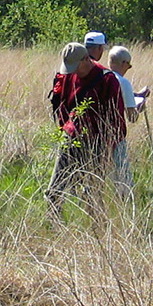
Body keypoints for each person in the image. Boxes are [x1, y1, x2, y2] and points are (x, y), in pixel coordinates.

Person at [46, 42, 124, 216]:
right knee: (54, 191)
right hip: (70, 139)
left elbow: (116, 119)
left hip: (97, 144)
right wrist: (64, 129)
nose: (71, 71)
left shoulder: (107, 79)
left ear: (85, 60)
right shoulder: (68, 75)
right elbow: (63, 105)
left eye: (75, 66)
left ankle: (99, 233)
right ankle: (54, 229)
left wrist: (108, 149)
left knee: (93, 195)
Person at [107, 46, 149, 197]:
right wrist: (140, 106)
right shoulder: (122, 82)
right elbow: (132, 117)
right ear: (123, 63)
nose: (128, 69)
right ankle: (125, 204)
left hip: (96, 136)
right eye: (129, 65)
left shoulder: (102, 76)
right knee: (123, 178)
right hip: (116, 136)